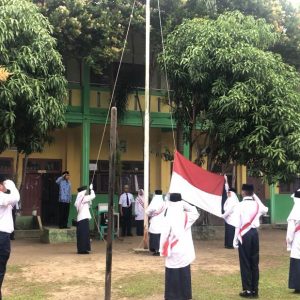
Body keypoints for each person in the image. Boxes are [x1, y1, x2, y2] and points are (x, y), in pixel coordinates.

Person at [160, 193, 199, 300]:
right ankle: (185, 295)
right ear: (181, 202)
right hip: (184, 250)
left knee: (172, 273)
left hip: (172, 249)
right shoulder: (187, 216)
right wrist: (183, 203)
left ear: (170, 202)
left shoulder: (167, 216)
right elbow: (195, 211)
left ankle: (172, 296)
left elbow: (164, 234)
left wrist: (161, 250)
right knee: (184, 272)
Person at [232, 184, 268, 298]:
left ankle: (247, 290)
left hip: (244, 235)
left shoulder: (239, 205)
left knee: (245, 263)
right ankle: (255, 290)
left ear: (242, 192)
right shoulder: (257, 205)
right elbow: (265, 209)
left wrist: (234, 238)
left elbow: (237, 224)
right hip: (254, 234)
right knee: (254, 262)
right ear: (252, 193)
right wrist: (254, 196)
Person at [0, 175, 20, 299]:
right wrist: (10, 184)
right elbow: (16, 197)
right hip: (1, 236)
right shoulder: (2, 196)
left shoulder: (4, 196)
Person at [74, 184, 95, 254]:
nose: (85, 193)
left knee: (82, 235)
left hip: (81, 219)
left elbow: (88, 205)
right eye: (85, 192)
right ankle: (83, 250)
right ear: (82, 192)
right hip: (83, 218)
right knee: (84, 234)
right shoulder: (83, 198)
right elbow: (93, 196)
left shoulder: (79, 199)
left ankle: (81, 249)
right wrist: (91, 189)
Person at [286, 190, 300, 293]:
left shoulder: (295, 211)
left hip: (298, 239)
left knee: (297, 260)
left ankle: (297, 285)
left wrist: (289, 242)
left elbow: (290, 231)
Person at [146, 190, 166, 255]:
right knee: (161, 236)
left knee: (155, 236)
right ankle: (161, 250)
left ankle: (156, 251)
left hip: (155, 221)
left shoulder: (154, 201)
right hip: (162, 221)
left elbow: (147, 211)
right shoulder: (163, 202)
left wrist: (152, 214)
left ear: (155, 193)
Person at [222, 175, 239, 249]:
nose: (227, 193)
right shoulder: (230, 197)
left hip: (232, 218)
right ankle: (227, 244)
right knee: (228, 231)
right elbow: (227, 189)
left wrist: (223, 215)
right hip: (228, 218)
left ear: (232, 193)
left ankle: (230, 244)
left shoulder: (232, 199)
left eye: (229, 192)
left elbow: (229, 210)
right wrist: (226, 181)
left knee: (231, 231)